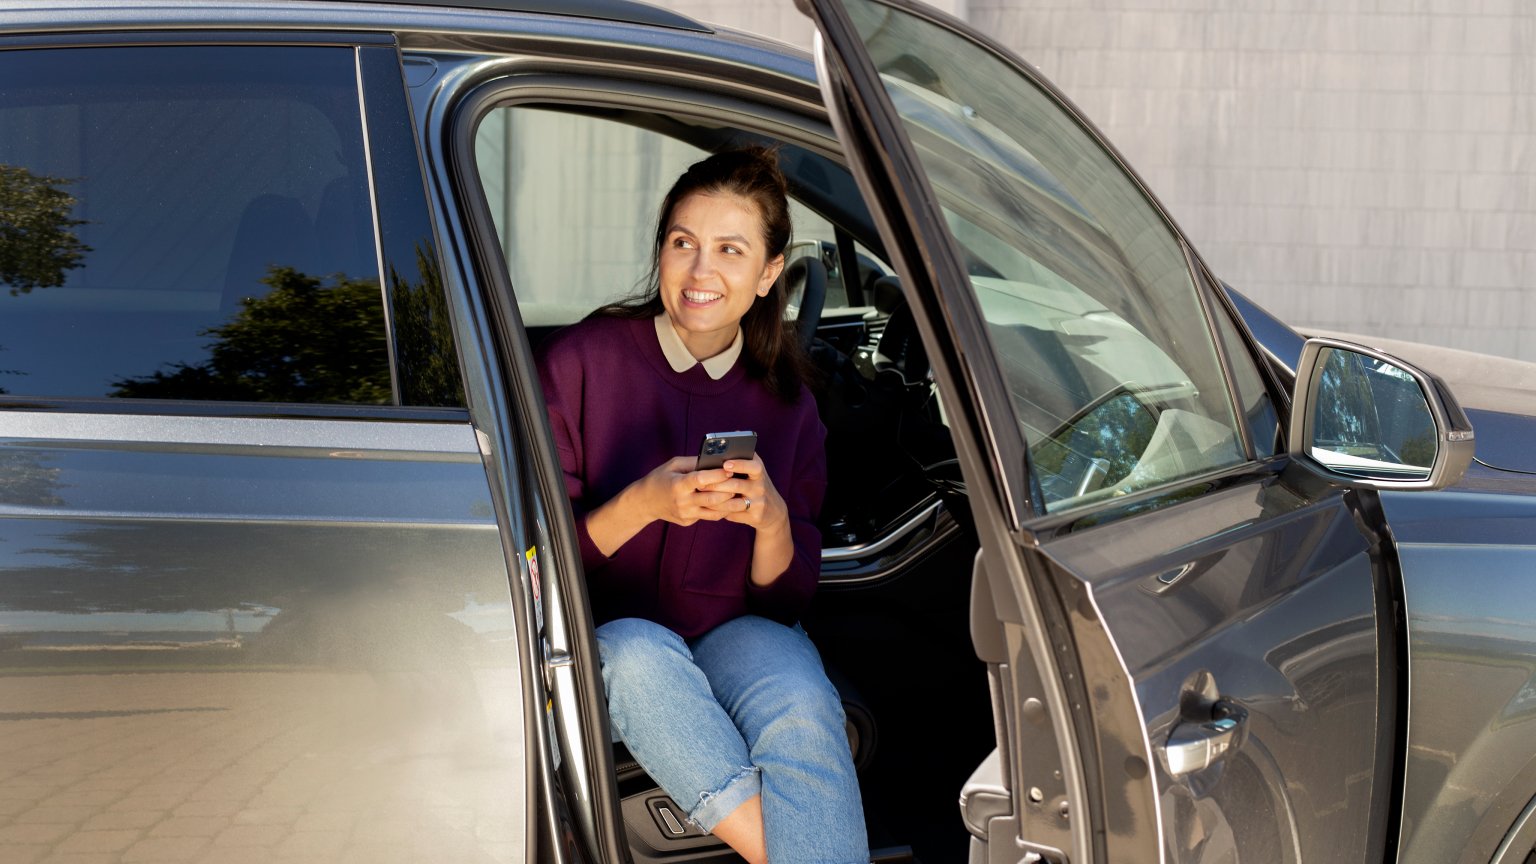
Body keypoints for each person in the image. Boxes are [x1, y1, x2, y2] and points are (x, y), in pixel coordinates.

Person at [536, 146, 868, 864]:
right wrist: (643, 504)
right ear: (660, 251)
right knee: (634, 657)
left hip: (736, 631)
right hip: (614, 633)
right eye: (683, 243)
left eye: (730, 250)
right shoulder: (582, 362)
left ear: (769, 273)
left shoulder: (787, 403)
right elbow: (538, 561)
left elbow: (787, 600)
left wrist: (774, 520)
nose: (701, 271)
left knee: (805, 708)